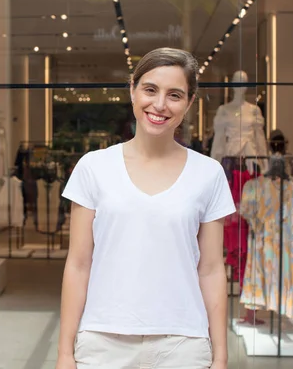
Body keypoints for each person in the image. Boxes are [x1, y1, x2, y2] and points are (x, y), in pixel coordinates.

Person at [56, 47, 236, 369]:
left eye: (175, 95)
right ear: (132, 89)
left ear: (190, 102)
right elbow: (78, 264)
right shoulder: (93, 167)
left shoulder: (208, 174)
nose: (160, 105)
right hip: (102, 343)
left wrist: (220, 357)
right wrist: (65, 354)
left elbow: (211, 270)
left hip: (184, 345)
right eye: (150, 89)